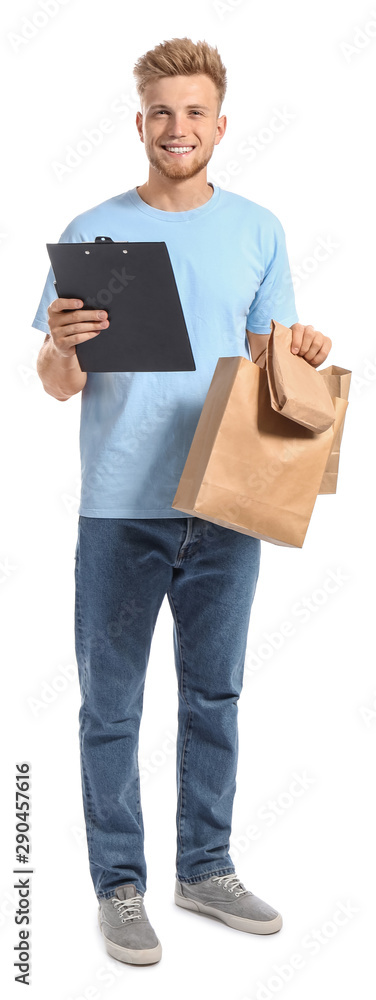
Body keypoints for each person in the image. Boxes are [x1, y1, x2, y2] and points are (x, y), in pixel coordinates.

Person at [32, 37, 332, 967]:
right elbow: (54, 382)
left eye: (195, 111)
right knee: (110, 706)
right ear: (139, 124)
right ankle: (119, 887)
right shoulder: (94, 233)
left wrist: (306, 349)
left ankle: (205, 868)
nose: (178, 127)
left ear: (220, 124)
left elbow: (269, 363)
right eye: (162, 111)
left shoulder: (257, 229)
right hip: (121, 509)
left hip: (228, 500)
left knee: (215, 695)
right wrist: (65, 346)